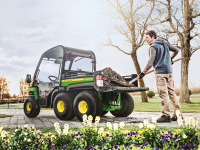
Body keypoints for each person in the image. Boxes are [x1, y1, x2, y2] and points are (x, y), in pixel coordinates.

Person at [139, 30, 181, 122]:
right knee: (172, 93)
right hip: (169, 71)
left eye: (147, 37)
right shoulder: (164, 43)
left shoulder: (153, 46)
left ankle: (166, 115)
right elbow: (176, 50)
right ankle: (178, 114)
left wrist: (143, 72)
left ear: (153, 37)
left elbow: (151, 61)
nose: (146, 40)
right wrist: (169, 60)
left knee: (163, 93)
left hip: (160, 73)